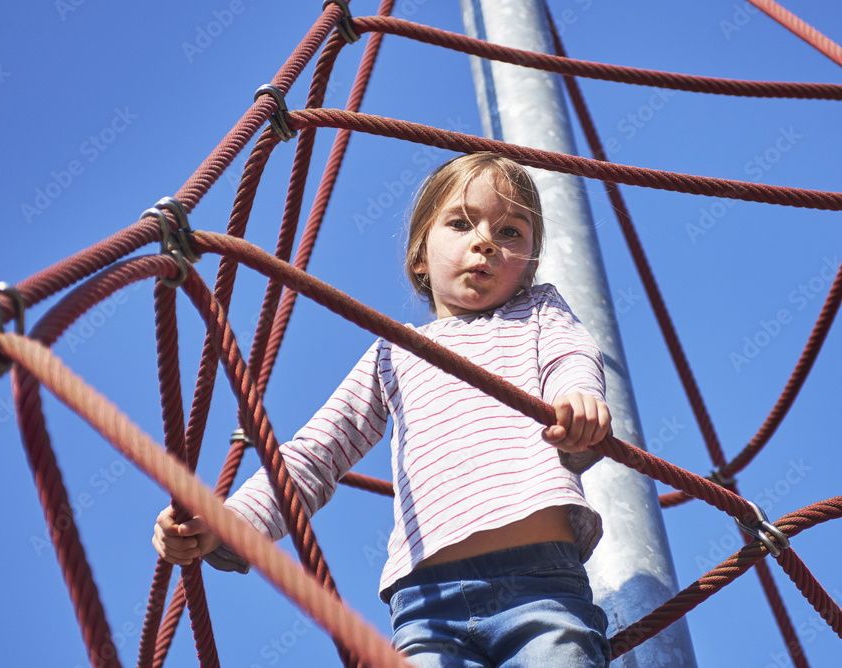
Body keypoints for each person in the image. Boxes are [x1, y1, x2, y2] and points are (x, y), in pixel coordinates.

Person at [153, 152, 612, 667]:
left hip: (541, 584)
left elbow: (571, 357)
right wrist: (227, 521)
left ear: (528, 264)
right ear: (419, 255)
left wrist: (580, 401)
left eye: (511, 233)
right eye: (461, 223)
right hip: (426, 603)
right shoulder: (394, 351)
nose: (485, 241)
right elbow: (314, 456)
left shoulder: (538, 311)